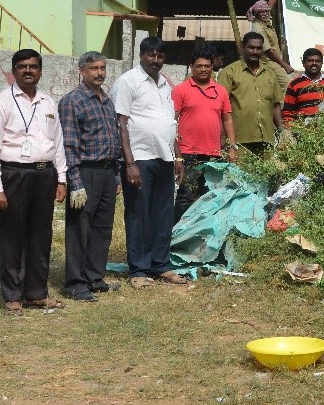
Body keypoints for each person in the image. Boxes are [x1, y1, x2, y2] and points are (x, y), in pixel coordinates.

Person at [0, 49, 68, 313]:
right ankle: (12, 296)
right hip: (14, 174)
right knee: (12, 235)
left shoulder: (48, 103)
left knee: (41, 235)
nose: (28, 71)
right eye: (22, 67)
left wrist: (61, 178)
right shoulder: (1, 103)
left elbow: (59, 142)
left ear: (40, 70)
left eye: (33, 66)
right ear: (13, 70)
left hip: (44, 174)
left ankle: (36, 292)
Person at [115, 36, 186, 286]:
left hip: (164, 157)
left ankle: (161, 265)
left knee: (162, 214)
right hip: (140, 158)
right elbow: (121, 123)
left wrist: (177, 156)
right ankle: (139, 270)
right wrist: (130, 163)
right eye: (151, 55)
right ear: (141, 55)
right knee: (138, 214)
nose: (155, 60)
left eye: (160, 56)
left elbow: (169, 123)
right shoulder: (128, 82)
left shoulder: (164, 85)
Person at [59, 50, 123, 302]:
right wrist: (74, 181)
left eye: (102, 68)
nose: (99, 73)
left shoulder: (106, 100)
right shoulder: (72, 101)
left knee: (102, 229)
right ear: (82, 71)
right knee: (79, 229)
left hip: (108, 172)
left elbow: (113, 140)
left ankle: (94, 277)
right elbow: (69, 144)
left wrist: (116, 177)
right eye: (94, 69)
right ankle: (75, 283)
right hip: (85, 172)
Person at [174, 45, 238, 224]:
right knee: (184, 197)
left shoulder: (221, 91)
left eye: (207, 66)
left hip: (214, 155)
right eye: (199, 66)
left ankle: (202, 242)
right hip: (187, 154)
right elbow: (172, 121)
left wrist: (232, 148)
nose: (203, 69)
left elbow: (228, 120)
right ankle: (177, 237)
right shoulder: (181, 90)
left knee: (210, 197)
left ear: (212, 67)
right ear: (192, 67)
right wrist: (176, 154)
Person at [218, 32, 286, 153]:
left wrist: (282, 131)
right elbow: (220, 107)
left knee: (266, 172)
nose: (255, 51)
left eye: (259, 48)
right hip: (239, 140)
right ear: (243, 47)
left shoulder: (270, 74)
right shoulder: (229, 72)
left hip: (266, 139)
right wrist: (223, 136)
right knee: (240, 172)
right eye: (251, 47)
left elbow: (275, 105)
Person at [247, 0, 295, 74]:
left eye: (266, 11)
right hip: (269, 62)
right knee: (286, 85)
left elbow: (269, 5)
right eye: (262, 12)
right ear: (257, 14)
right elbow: (270, 52)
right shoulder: (259, 28)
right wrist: (285, 65)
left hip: (274, 62)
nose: (265, 13)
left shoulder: (264, 21)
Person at [282, 48, 324, 126]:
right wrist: (290, 129)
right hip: (303, 132)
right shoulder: (294, 85)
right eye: (310, 61)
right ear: (303, 63)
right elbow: (288, 112)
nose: (314, 63)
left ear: (322, 63)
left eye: (317, 61)